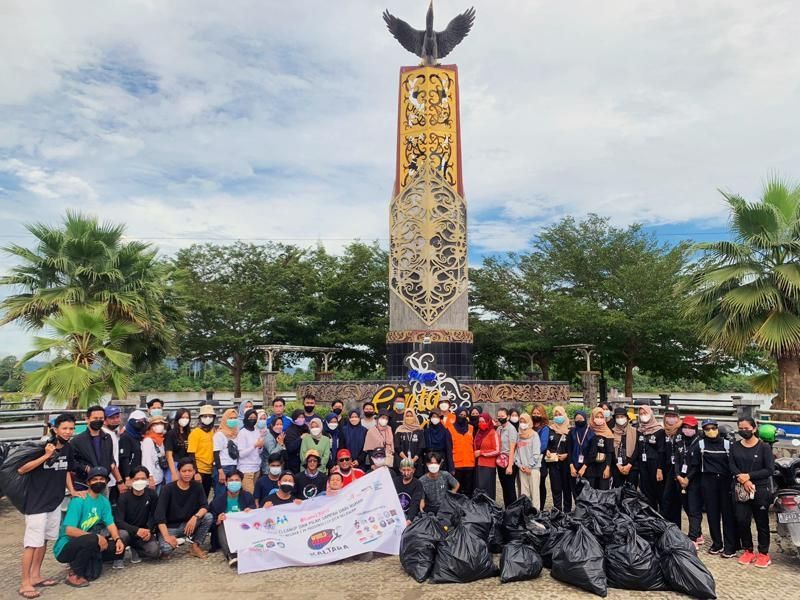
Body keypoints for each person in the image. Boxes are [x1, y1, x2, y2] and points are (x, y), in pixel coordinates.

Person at [18, 413, 78, 599]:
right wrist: (46, 455)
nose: (68, 432)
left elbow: (66, 470)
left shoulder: (67, 447)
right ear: (55, 429)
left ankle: (36, 575)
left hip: (54, 500)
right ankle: (25, 582)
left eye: (71, 428)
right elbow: (22, 469)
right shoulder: (42, 445)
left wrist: (72, 491)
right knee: (31, 543)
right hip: (36, 502)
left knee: (44, 540)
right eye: (65, 428)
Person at [54, 467, 125, 588]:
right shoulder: (78, 501)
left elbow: (110, 523)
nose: (98, 482)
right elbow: (69, 530)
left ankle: (87, 561)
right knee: (92, 540)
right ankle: (74, 575)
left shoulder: (104, 501)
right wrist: (97, 538)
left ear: (106, 482)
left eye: (102, 479)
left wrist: (118, 539)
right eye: (95, 479)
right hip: (66, 547)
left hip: (87, 542)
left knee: (119, 543)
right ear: (88, 483)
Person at [730, 417, 774, 568]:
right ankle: (748, 549)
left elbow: (769, 470)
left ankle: (764, 553)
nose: (743, 431)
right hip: (741, 488)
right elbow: (731, 465)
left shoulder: (764, 447)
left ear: (754, 429)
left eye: (746, 428)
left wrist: (749, 476)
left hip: (760, 488)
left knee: (761, 522)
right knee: (742, 520)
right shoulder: (735, 446)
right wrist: (743, 480)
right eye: (740, 428)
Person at [694, 418, 737, 558]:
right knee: (712, 515)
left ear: (718, 428)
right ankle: (717, 543)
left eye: (713, 428)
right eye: (707, 429)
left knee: (727, 514)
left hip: (725, 481)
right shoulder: (700, 444)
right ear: (703, 431)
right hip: (708, 480)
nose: (710, 431)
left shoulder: (727, 444)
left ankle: (730, 545)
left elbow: (734, 463)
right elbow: (694, 464)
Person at [155, 458, 213, 559]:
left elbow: (205, 506)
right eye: (184, 471)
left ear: (194, 472)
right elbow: (160, 516)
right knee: (166, 549)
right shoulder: (167, 489)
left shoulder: (197, 486)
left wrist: (195, 517)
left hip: (189, 524)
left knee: (208, 517)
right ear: (178, 472)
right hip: (171, 527)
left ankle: (195, 546)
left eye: (190, 471)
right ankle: (175, 541)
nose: (187, 474)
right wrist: (166, 536)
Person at [70, 405, 123, 494]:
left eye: (101, 418)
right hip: (84, 485)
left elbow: (111, 461)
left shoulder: (107, 437)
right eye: (95, 418)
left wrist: (119, 481)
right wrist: (85, 468)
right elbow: (71, 462)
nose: (98, 421)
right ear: (87, 419)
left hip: (103, 483)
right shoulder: (77, 441)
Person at [209, 470, 255, 567]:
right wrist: (217, 521)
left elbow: (255, 517)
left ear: (241, 482)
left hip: (243, 529)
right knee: (221, 526)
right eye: (231, 480)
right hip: (226, 532)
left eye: (237, 480)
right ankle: (231, 555)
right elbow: (210, 525)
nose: (234, 483)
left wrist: (250, 512)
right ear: (225, 483)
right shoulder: (217, 501)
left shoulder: (248, 497)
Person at [115, 466, 160, 564]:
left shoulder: (152, 494)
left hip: (144, 532)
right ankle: (118, 557)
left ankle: (135, 550)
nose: (140, 481)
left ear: (148, 480)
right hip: (128, 531)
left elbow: (155, 515)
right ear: (130, 480)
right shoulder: (123, 498)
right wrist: (136, 530)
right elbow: (118, 521)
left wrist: (149, 530)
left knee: (155, 551)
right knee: (122, 534)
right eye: (136, 479)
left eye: (143, 479)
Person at [674, 415, 703, 548]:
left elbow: (698, 465)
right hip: (681, 478)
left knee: (694, 508)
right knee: (685, 506)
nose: (687, 430)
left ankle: (693, 538)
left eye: (690, 428)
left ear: (695, 429)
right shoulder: (679, 440)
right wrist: (679, 476)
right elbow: (676, 460)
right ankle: (698, 533)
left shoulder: (699, 442)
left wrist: (688, 478)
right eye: (685, 427)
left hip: (694, 479)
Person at [636, 405, 665, 509]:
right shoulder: (639, 430)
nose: (643, 416)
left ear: (651, 414)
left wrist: (659, 468)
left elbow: (661, 451)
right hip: (643, 464)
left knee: (658, 490)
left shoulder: (659, 431)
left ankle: (662, 516)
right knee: (646, 490)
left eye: (646, 413)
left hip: (655, 464)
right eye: (641, 414)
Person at [545, 405, 572, 512]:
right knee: (556, 488)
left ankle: (567, 511)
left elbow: (574, 447)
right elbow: (546, 444)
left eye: (559, 414)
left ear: (564, 415)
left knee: (567, 488)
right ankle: (557, 511)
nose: (557, 417)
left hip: (566, 464)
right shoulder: (550, 429)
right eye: (555, 415)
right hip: (553, 463)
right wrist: (546, 451)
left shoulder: (570, 430)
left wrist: (567, 455)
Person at [661, 405, 684, 526]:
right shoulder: (662, 432)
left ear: (678, 417)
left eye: (673, 416)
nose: (671, 419)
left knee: (678, 501)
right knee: (666, 500)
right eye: (668, 416)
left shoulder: (682, 431)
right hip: (666, 469)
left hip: (680, 470)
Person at [187, 405, 217, 497]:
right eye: (205, 416)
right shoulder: (195, 433)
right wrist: (196, 473)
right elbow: (191, 454)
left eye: (210, 416)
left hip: (209, 470)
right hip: (199, 469)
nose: (208, 418)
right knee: (196, 497)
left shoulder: (213, 432)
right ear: (200, 418)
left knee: (206, 496)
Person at [567, 410, 596, 500]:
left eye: (581, 418)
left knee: (587, 494)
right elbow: (569, 450)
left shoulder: (591, 434)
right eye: (577, 418)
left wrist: (584, 467)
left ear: (585, 419)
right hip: (574, 467)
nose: (579, 420)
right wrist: (571, 466)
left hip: (588, 468)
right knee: (576, 492)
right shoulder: (571, 432)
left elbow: (593, 453)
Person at [213, 408, 240, 500]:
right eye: (230, 418)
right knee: (220, 494)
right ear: (225, 419)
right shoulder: (219, 434)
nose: (233, 420)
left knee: (232, 493)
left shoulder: (236, 433)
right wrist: (220, 471)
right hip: (223, 467)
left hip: (234, 466)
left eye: (235, 418)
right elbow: (216, 454)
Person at [515, 413, 541, 505]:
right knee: (524, 494)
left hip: (533, 469)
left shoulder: (534, 435)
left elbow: (536, 453)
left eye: (524, 421)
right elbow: (516, 453)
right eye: (521, 421)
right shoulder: (518, 436)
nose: (522, 423)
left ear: (529, 422)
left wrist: (529, 466)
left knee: (535, 494)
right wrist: (520, 465)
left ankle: (536, 514)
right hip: (522, 469)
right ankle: (525, 514)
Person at [446, 407, 473, 496]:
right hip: (457, 466)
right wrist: (451, 467)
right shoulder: (450, 428)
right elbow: (448, 450)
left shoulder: (471, 428)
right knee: (456, 491)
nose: (462, 417)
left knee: (468, 491)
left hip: (470, 465)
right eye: (461, 415)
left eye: (465, 415)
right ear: (456, 415)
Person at [236, 408, 264, 493]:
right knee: (250, 496)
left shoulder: (257, 431)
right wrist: (254, 446)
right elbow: (241, 454)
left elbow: (259, 452)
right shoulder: (242, 433)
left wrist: (260, 447)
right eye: (250, 418)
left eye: (254, 418)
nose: (253, 420)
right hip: (246, 470)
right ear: (246, 418)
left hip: (256, 469)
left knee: (256, 495)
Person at [611, 406, 639, 489]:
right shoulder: (611, 432)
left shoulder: (635, 431)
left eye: (622, 417)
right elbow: (611, 450)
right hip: (617, 467)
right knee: (617, 491)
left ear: (627, 418)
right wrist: (618, 465)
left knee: (632, 491)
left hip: (632, 466)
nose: (620, 419)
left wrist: (629, 465)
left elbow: (637, 449)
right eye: (618, 417)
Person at [586, 407, 614, 490]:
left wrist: (607, 468)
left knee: (603, 492)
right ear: (592, 417)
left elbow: (609, 452)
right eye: (597, 417)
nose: (599, 419)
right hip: (590, 466)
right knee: (591, 492)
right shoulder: (587, 432)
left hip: (603, 466)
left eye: (601, 417)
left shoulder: (607, 432)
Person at [474, 413, 500, 499]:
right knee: (479, 488)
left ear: (488, 421)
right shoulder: (478, 432)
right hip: (478, 464)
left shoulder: (493, 433)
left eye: (483, 421)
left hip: (488, 466)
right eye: (480, 421)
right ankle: (481, 509)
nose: (481, 423)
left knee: (488, 489)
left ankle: (489, 509)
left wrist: (481, 452)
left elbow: (497, 450)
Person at [118, 410, 147, 487]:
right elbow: (124, 458)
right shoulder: (125, 437)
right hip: (129, 477)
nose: (141, 422)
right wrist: (127, 477)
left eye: (143, 420)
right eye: (138, 420)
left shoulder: (139, 437)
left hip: (139, 476)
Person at [496, 407, 518, 505]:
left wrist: (510, 466)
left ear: (508, 417)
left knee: (510, 488)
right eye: (499, 416)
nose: (500, 418)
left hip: (509, 461)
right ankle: (507, 509)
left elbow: (512, 448)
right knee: (504, 487)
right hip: (500, 461)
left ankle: (514, 511)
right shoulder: (499, 428)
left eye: (502, 416)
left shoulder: (511, 429)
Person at [101, 405, 123, 503]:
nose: (115, 420)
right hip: (107, 478)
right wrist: (120, 481)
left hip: (112, 478)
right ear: (105, 420)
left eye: (117, 417)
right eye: (111, 418)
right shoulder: (105, 434)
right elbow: (110, 459)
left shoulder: (113, 433)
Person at [140, 415, 168, 492]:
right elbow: (146, 460)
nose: (159, 426)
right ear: (151, 426)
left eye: (161, 423)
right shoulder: (148, 441)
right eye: (156, 424)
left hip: (159, 477)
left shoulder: (160, 440)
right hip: (152, 480)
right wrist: (150, 477)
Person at [394, 409, 425, 477]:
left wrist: (413, 460)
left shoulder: (419, 430)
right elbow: (397, 446)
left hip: (416, 461)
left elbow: (421, 447)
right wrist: (406, 459)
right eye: (407, 416)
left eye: (411, 416)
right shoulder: (399, 430)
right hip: (402, 461)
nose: (409, 418)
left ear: (414, 417)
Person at [531, 405, 550, 510]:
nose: (536, 415)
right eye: (534, 413)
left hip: (540, 460)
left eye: (538, 413)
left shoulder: (545, 428)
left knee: (540, 483)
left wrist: (533, 453)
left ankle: (541, 507)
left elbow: (543, 445)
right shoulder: (529, 426)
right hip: (528, 459)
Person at [165, 409, 192, 482]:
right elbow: (169, 455)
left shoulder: (189, 433)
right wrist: (174, 473)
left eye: (187, 418)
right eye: (183, 417)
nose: (185, 420)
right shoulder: (171, 434)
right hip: (175, 465)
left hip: (186, 465)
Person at [393, 458, 423, 524]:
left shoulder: (417, 483)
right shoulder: (395, 481)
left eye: (408, 470)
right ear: (400, 470)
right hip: (396, 514)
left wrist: (409, 519)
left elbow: (415, 502)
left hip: (410, 516)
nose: (406, 472)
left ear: (413, 470)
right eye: (404, 470)